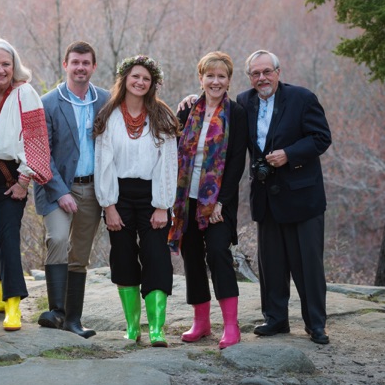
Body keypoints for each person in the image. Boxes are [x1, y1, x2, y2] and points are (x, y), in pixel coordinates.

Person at [237, 50, 332, 345]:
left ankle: (315, 324)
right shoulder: (244, 101)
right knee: (272, 264)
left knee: (308, 266)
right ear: (249, 77)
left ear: (278, 72)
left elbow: (321, 137)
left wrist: (289, 154)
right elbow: (218, 110)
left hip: (303, 198)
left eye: (267, 71)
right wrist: (192, 99)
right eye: (255, 73)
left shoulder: (302, 98)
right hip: (266, 197)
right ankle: (276, 319)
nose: (262, 78)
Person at [93, 55, 178, 347]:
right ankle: (132, 326)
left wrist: (163, 205)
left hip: (153, 196)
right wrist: (109, 206)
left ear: (152, 84)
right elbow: (103, 162)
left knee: (156, 257)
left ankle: (156, 328)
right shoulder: (109, 116)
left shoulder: (162, 116)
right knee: (123, 256)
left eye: (146, 79)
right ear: (125, 79)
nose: (140, 82)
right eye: (135, 77)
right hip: (119, 196)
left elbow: (168, 163)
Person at [0, 37, 53, 331]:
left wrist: (23, 181)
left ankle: (14, 305)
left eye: (6, 64)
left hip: (9, 176)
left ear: (14, 65)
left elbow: (36, 139)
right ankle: (0, 296)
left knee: (7, 237)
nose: (1, 69)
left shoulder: (25, 93)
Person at [167, 51, 248, 349]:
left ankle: (231, 325)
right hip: (186, 200)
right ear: (200, 79)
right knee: (191, 256)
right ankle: (201, 322)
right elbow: (171, 151)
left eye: (221, 76)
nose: (216, 81)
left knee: (217, 252)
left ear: (229, 80)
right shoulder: (187, 110)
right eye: (210, 76)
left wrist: (221, 203)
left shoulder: (236, 113)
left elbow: (237, 162)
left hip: (218, 202)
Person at [34, 41, 109, 338]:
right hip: (56, 187)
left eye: (85, 63)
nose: (80, 67)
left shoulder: (105, 100)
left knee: (80, 253)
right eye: (75, 62)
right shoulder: (48, 102)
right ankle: (57, 312)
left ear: (93, 67)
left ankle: (72, 320)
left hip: (92, 188)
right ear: (65, 65)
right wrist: (61, 191)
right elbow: (41, 153)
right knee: (57, 238)